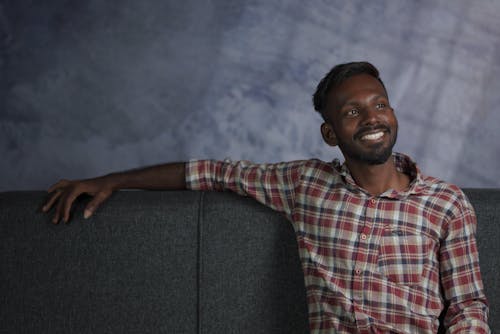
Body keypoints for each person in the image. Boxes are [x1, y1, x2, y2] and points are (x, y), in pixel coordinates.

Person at [43, 62, 490, 332]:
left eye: (379, 104)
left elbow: (468, 306)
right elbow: (212, 173)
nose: (371, 117)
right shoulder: (305, 185)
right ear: (330, 133)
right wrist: (113, 180)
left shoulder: (445, 203)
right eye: (352, 112)